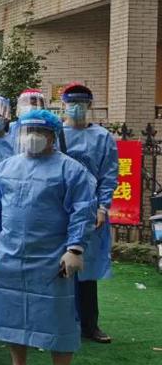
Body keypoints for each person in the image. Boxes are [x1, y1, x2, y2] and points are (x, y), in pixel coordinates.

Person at [0, 109, 97, 365]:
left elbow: (83, 210)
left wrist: (75, 248)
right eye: (27, 130)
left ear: (52, 136)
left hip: (51, 258)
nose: (32, 137)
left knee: (57, 317)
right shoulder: (6, 167)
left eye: (39, 131)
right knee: (11, 312)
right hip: (10, 254)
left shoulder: (70, 170)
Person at [60, 83, 118, 343]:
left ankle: (89, 324)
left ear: (90, 106)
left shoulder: (101, 137)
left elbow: (108, 174)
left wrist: (102, 207)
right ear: (63, 105)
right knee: (57, 263)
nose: (76, 108)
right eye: (72, 103)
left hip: (89, 209)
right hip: (59, 206)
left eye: (82, 103)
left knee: (84, 265)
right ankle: (59, 320)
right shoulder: (56, 133)